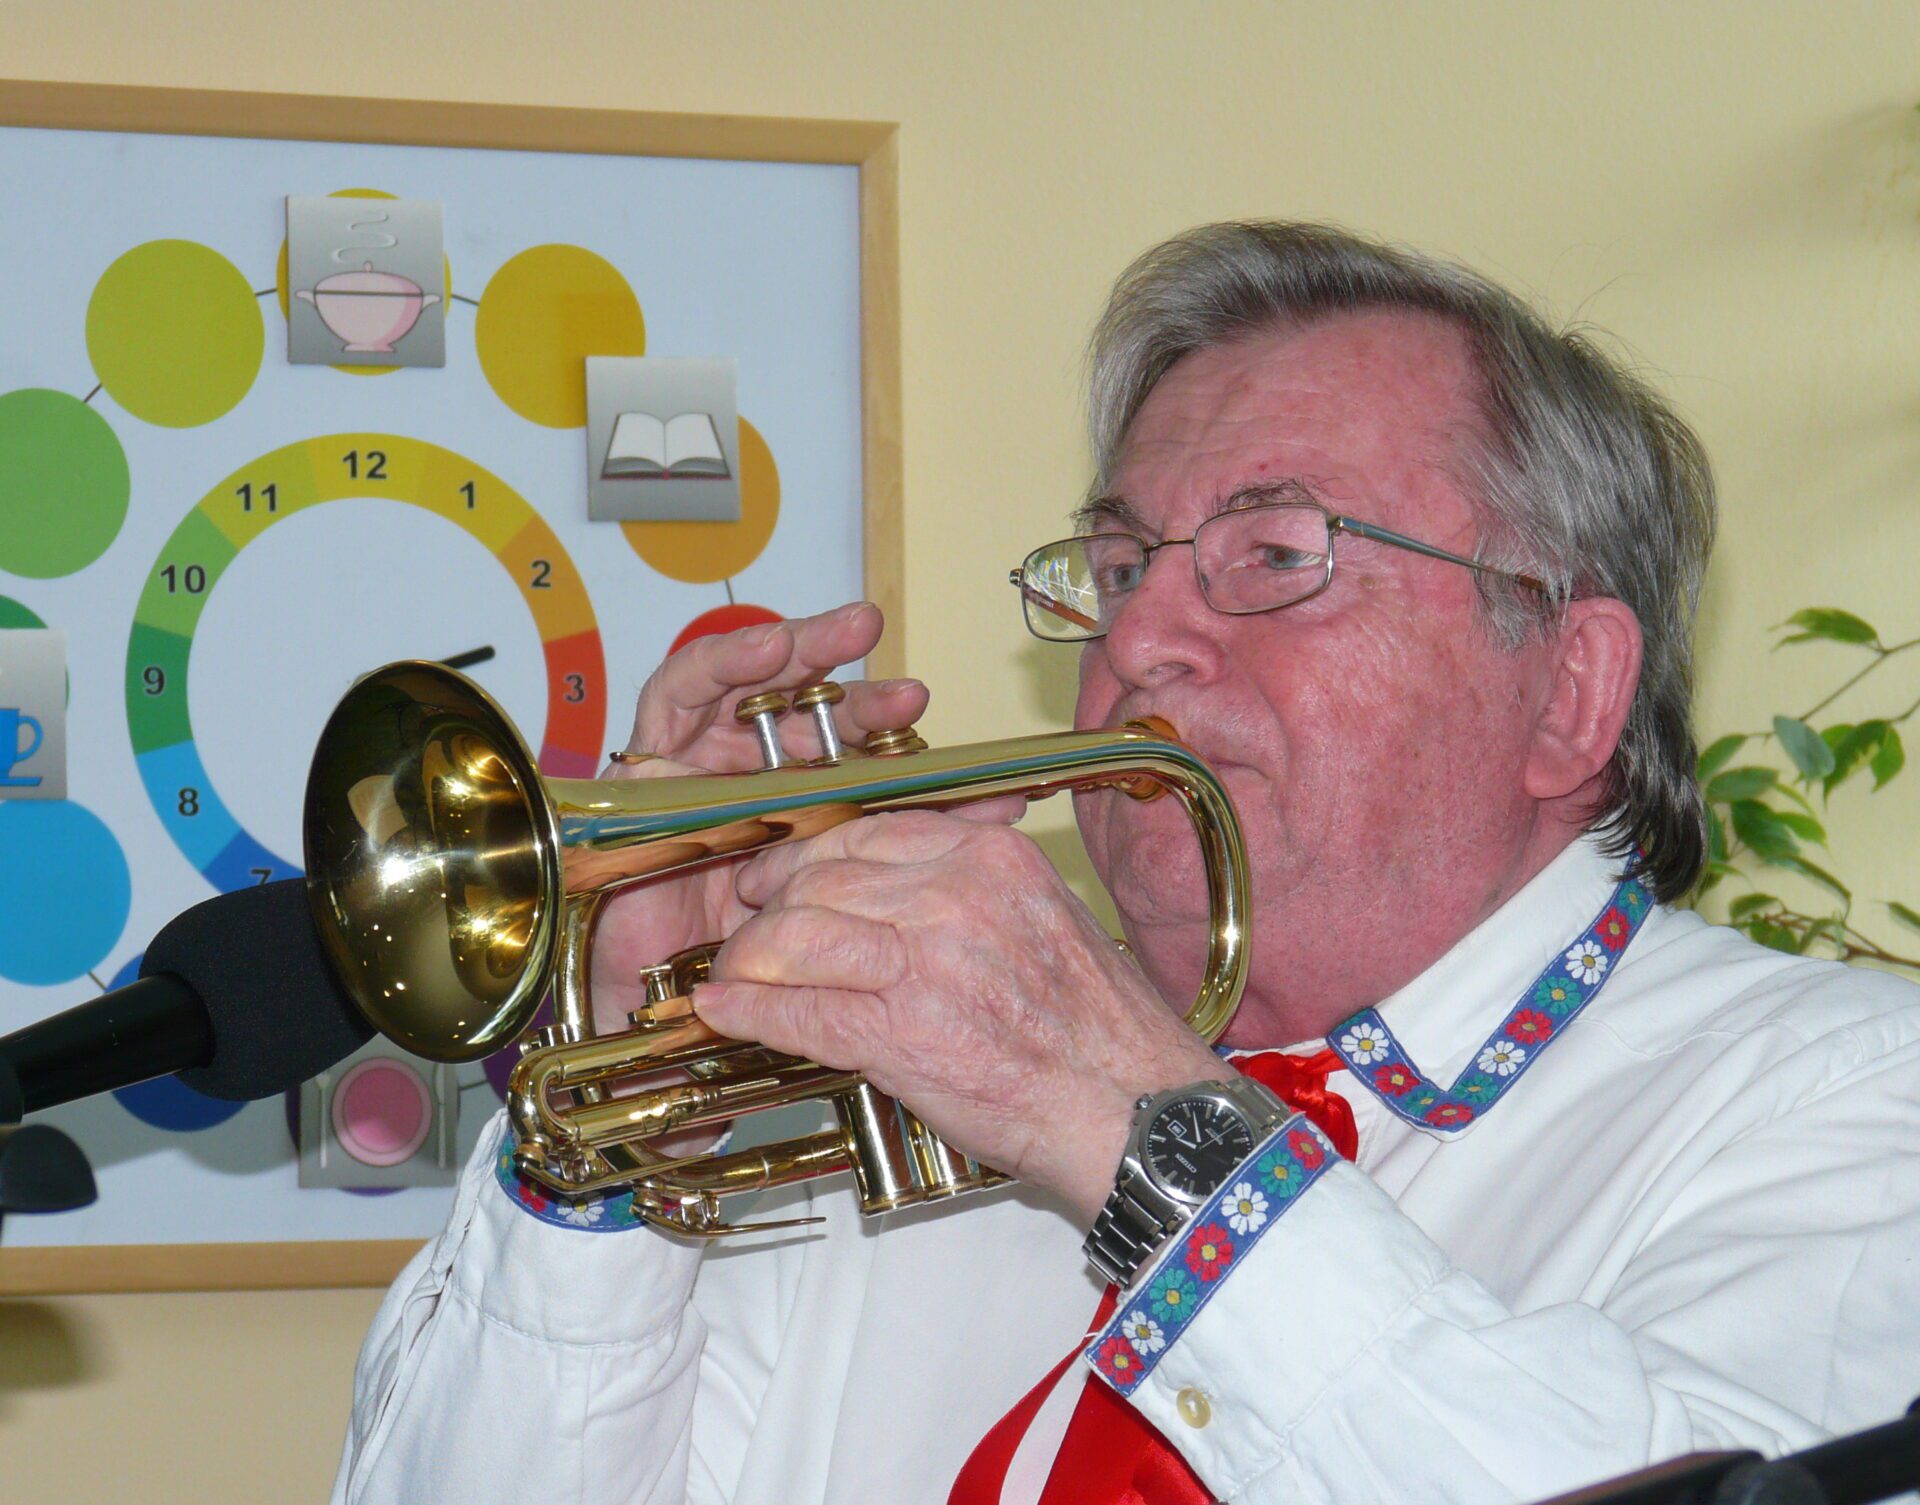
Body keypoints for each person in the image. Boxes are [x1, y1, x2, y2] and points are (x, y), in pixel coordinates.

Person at [331, 223, 1920, 1505]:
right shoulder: (917, 1095)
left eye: (1275, 555)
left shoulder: (1850, 1099)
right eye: (1116, 564)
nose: (1141, 633)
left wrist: (1137, 1126)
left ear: (1569, 686)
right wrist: (622, 1125)